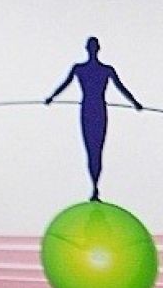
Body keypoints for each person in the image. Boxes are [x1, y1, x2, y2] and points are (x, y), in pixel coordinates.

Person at [46, 37, 143, 201]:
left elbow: (121, 88)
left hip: (98, 110)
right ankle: (94, 187)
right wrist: (52, 97)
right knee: (91, 150)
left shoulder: (106, 70)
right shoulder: (79, 69)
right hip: (89, 110)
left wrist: (135, 103)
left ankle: (95, 187)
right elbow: (64, 84)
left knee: (97, 150)